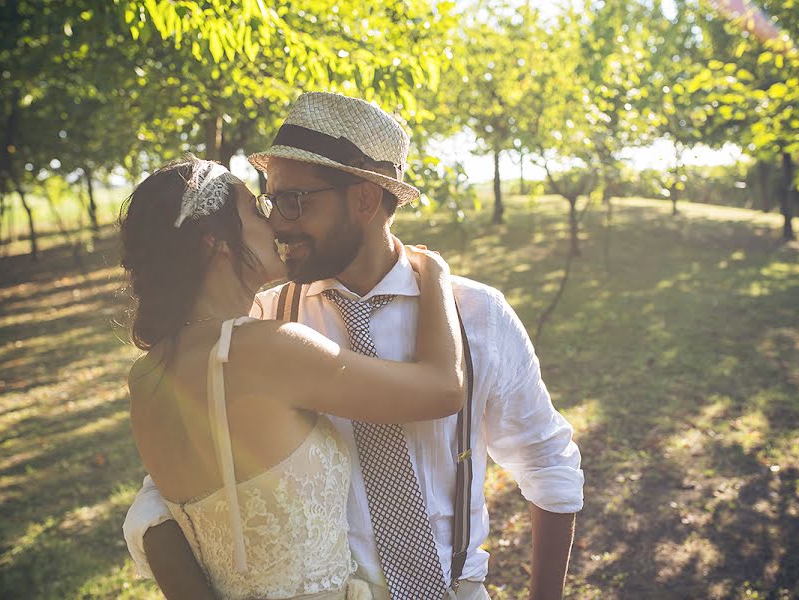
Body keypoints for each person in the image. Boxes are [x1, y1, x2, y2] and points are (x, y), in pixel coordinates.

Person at [124, 92, 584, 600]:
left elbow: (549, 465)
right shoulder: (259, 322)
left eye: (295, 200)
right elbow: (173, 491)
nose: (277, 220)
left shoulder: (478, 315)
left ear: (365, 200)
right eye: (271, 200)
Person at [120, 153, 467, 600]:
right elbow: (442, 390)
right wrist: (436, 274)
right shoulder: (270, 347)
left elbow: (159, 515)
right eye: (255, 211)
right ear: (215, 242)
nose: (275, 224)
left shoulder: (145, 376)